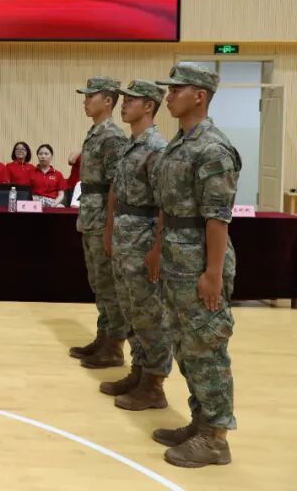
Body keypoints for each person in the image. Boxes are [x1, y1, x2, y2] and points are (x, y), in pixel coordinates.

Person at [150, 63, 240, 468]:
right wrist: (157, 248)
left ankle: (216, 438)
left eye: (176, 90)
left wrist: (213, 273)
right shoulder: (179, 142)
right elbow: (168, 204)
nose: (168, 96)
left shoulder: (213, 148)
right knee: (186, 347)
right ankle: (201, 422)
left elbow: (217, 217)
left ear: (199, 96)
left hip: (200, 260)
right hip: (176, 257)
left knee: (207, 348)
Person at [101, 80, 172, 411]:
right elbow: (116, 193)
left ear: (149, 106)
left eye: (131, 100)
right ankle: (139, 372)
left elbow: (165, 203)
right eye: (124, 100)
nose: (124, 104)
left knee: (149, 314)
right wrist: (109, 231)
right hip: (125, 236)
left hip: (144, 237)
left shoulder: (156, 148)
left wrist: (157, 249)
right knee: (131, 310)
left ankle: (154, 385)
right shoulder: (130, 145)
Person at [69, 77, 130, 369]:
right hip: (90, 216)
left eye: (90, 96)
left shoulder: (112, 137)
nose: (85, 101)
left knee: (109, 286)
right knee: (98, 282)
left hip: (103, 218)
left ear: (107, 101)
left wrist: (110, 229)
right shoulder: (95, 133)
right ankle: (103, 338)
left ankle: (114, 347)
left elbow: (116, 185)